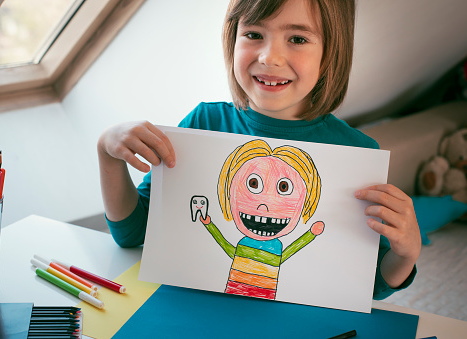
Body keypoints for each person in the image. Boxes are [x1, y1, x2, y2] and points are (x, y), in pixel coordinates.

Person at [97, 0, 421, 300]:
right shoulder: (201, 123)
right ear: (232, 39)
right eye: (253, 34)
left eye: (297, 39)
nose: (269, 57)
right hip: (196, 315)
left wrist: (406, 253)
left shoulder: (356, 154)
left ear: (331, 52)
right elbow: (133, 232)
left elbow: (370, 285)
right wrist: (107, 154)